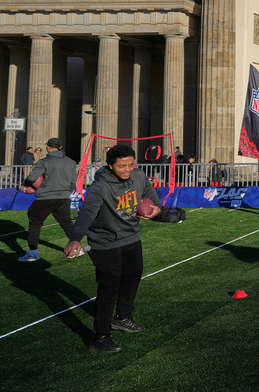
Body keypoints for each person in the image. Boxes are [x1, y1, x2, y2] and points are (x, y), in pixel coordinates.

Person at [64, 144, 161, 354]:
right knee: (109, 287)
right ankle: (100, 337)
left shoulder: (138, 176)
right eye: (121, 166)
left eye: (130, 164)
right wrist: (75, 238)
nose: (127, 169)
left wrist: (156, 208)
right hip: (105, 243)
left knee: (132, 278)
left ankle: (123, 318)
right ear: (110, 166)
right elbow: (87, 212)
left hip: (131, 238)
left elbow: (151, 195)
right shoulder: (100, 187)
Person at [18, 138, 79, 262]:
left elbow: (32, 177)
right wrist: (66, 192)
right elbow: (73, 181)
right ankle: (76, 249)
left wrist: (25, 185)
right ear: (60, 147)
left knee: (34, 221)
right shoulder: (71, 162)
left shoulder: (44, 161)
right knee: (67, 223)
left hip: (46, 197)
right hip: (63, 197)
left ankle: (33, 252)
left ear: (48, 147)